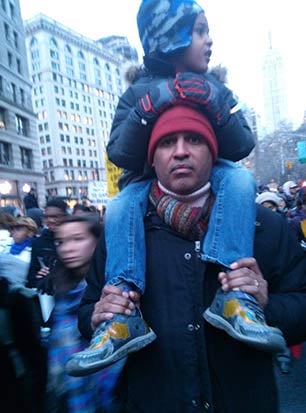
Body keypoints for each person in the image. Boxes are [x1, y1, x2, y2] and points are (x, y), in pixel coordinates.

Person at [66, 0, 287, 375]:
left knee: (239, 177)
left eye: (193, 141)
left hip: (223, 177)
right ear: (171, 37)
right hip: (141, 188)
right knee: (120, 205)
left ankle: (235, 294)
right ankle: (122, 314)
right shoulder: (138, 92)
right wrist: (152, 106)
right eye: (199, 30)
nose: (209, 40)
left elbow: (243, 143)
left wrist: (215, 104)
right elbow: (120, 151)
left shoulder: (218, 88)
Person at [75, 105, 306, 412]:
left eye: (194, 140)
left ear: (213, 154)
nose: (180, 152)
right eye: (167, 142)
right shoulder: (121, 233)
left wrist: (264, 305)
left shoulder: (264, 226)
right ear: (152, 159)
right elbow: (87, 310)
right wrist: (98, 316)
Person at [45, 214, 124, 413]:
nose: (67, 248)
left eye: (78, 239)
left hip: (113, 394)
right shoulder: (62, 291)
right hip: (72, 393)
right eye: (60, 242)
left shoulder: (115, 288)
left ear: (98, 240)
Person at [26, 198, 67, 290]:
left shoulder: (76, 240)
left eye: (55, 216)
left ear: (66, 217)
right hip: (47, 295)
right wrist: (39, 276)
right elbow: (31, 277)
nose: (50, 220)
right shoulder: (39, 242)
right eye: (46, 217)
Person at [0, 217, 38, 285]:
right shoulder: (6, 247)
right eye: (13, 229)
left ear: (30, 233)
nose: (13, 232)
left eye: (18, 229)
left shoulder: (35, 250)